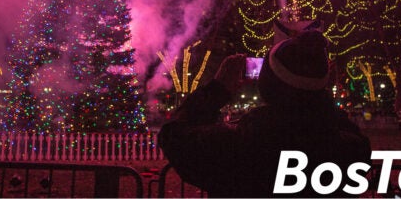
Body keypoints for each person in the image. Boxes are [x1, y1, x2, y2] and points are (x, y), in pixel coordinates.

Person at [159, 29, 371, 197]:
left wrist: (217, 90)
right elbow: (338, 125)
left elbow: (174, 136)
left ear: (269, 86)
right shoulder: (350, 150)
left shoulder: (235, 147)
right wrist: (320, 90)